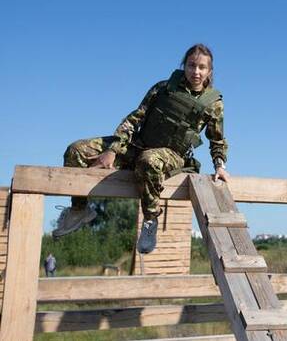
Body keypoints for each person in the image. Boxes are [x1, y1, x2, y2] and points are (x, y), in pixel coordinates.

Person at [53, 44, 230, 254]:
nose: (196, 72)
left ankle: (151, 219)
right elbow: (135, 118)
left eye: (202, 67)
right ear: (184, 65)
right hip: (136, 145)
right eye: (192, 65)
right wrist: (113, 149)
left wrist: (220, 166)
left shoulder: (213, 103)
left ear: (209, 71)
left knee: (149, 160)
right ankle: (79, 209)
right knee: (76, 151)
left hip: (171, 155)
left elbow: (217, 139)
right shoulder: (162, 88)